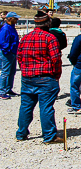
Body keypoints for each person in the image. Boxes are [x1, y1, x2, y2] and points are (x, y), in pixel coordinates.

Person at [16, 11, 63, 144]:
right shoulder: (50, 38)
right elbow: (56, 59)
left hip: (27, 76)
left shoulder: (25, 38)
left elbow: (19, 57)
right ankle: (49, 135)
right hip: (45, 77)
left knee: (26, 105)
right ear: (47, 23)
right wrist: (57, 75)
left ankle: (21, 132)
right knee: (46, 107)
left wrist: (25, 70)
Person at [0, 11, 20, 99]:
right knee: (5, 72)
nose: (17, 20)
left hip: (13, 53)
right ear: (10, 19)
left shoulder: (12, 27)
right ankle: (2, 91)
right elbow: (3, 42)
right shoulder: (5, 28)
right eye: (15, 19)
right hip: (7, 53)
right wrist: (9, 50)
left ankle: (8, 89)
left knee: (12, 72)